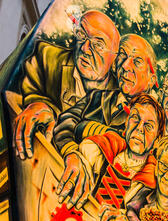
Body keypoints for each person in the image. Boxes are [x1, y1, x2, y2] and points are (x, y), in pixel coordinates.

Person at [54, 33, 159, 210]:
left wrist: (84, 128)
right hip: (63, 192)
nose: (126, 66)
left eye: (137, 61)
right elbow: (65, 122)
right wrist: (71, 153)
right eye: (123, 56)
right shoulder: (97, 98)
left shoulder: (152, 127)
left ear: (152, 79)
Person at [13, 10, 120, 160]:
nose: (85, 48)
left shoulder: (120, 99)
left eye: (98, 44)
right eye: (82, 35)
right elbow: (30, 84)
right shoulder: (46, 57)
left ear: (114, 57)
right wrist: (39, 104)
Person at [73, 94, 165, 221]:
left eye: (148, 126)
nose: (140, 128)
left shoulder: (154, 185)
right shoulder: (105, 146)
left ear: (157, 139)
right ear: (127, 122)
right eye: (135, 118)